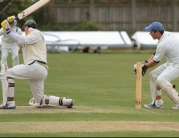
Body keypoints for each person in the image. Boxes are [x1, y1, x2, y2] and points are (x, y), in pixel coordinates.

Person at [0, 16, 74, 109]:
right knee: (40, 100)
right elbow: (18, 40)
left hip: (35, 66)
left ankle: (9, 103)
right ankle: (66, 101)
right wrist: (12, 25)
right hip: (39, 71)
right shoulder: (30, 38)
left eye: (25, 29)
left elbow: (22, 39)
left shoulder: (36, 33)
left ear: (26, 28)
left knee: (7, 74)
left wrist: (8, 31)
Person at [134, 21, 179, 110]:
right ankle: (157, 102)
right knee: (153, 75)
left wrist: (145, 67)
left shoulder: (163, 42)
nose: (150, 33)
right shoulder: (166, 35)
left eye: (151, 32)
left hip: (177, 64)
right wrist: (146, 62)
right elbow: (156, 54)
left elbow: (156, 61)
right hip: (171, 62)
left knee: (161, 80)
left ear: (157, 32)